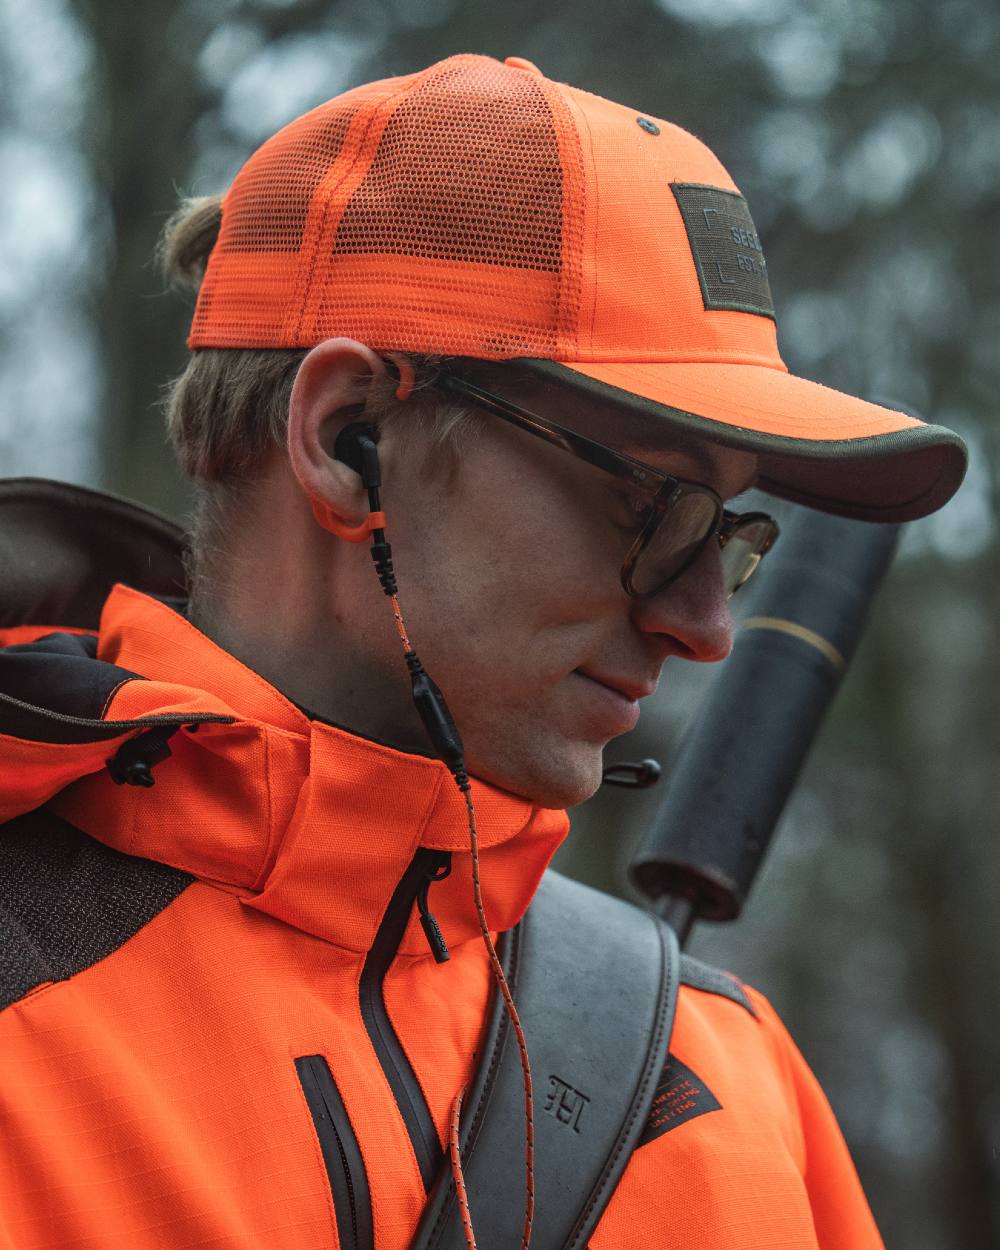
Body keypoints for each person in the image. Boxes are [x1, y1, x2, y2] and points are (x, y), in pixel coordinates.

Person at [0, 52, 966, 1250]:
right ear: (350, 439)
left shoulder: (728, 1079)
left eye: (724, 535)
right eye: (650, 505)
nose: (704, 626)